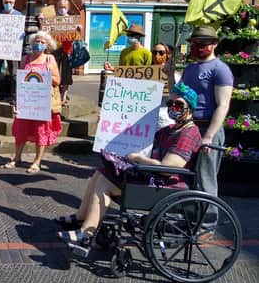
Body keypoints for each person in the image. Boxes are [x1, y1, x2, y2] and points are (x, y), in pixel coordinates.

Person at [56, 83, 202, 247]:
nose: (173, 107)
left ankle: (86, 233)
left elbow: (168, 168)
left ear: (190, 107)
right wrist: (107, 124)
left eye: (179, 104)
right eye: (170, 103)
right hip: (156, 178)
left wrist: (139, 159)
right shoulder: (170, 129)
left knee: (105, 183)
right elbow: (138, 136)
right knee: (102, 171)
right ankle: (81, 217)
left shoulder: (188, 133)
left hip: (168, 186)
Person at [177, 26, 233, 228]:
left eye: (202, 44)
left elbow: (223, 105)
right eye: (194, 44)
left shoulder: (220, 70)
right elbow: (178, 95)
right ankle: (191, 218)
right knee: (187, 176)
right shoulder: (190, 69)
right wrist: (168, 76)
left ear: (214, 44)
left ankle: (207, 224)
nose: (197, 48)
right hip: (189, 128)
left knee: (206, 178)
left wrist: (209, 136)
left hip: (208, 128)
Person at [1, 31, 62, 173]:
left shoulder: (49, 59)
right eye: (37, 41)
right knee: (21, 130)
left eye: (42, 42)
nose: (39, 44)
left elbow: (58, 81)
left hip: (42, 103)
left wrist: (46, 75)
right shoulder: (26, 58)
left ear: (47, 45)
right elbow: (20, 81)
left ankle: (37, 161)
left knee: (41, 131)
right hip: (27, 102)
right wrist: (16, 102)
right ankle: (17, 158)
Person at [153, 42, 181, 129]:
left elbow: (177, 97)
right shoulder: (145, 74)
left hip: (165, 121)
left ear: (167, 55)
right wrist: (114, 71)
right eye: (154, 52)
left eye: (161, 53)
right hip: (147, 123)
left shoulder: (176, 76)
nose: (157, 55)